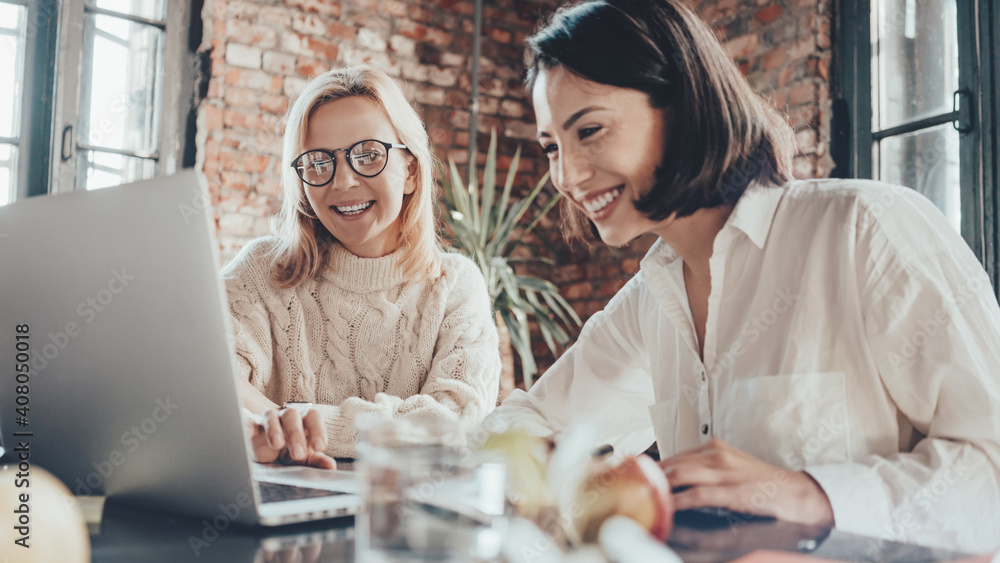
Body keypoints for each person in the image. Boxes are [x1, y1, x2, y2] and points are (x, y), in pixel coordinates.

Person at [488, 0, 1000, 553]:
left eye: (589, 130)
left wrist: (814, 495)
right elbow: (527, 417)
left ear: (683, 105)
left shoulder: (864, 229)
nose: (566, 175)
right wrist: (553, 469)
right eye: (550, 148)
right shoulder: (650, 300)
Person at [224, 65, 501, 466]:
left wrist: (304, 427)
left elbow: (454, 422)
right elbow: (207, 376)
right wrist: (274, 426)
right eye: (318, 162)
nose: (343, 181)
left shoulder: (456, 286)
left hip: (406, 519)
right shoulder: (261, 270)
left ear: (409, 169)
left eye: (368, 155)